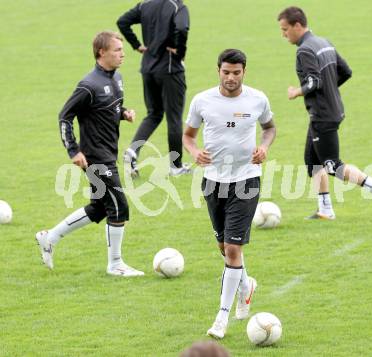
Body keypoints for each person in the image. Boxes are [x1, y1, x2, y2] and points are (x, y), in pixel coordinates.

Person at [183, 49, 276, 339]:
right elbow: (188, 135)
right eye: (226, 72)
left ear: (244, 71)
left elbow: (270, 128)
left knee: (234, 249)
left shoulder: (257, 99)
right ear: (218, 71)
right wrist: (195, 152)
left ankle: (221, 317)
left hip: (246, 179)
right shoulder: (202, 101)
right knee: (224, 248)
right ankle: (246, 287)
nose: (231, 77)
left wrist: (265, 148)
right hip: (213, 182)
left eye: (236, 72)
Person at [35, 31, 144, 277]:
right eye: (117, 50)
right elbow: (65, 117)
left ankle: (49, 237)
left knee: (100, 207)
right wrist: (73, 150)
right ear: (101, 53)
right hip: (96, 157)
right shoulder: (88, 85)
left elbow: (109, 106)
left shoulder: (117, 78)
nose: (122, 54)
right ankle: (115, 264)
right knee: (119, 207)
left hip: (108, 152)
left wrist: (123, 112)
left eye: (122, 49)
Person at [278, 6, 372, 220]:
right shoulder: (324, 42)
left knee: (333, 165)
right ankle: (325, 209)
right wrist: (329, 91)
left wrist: (297, 92)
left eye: (285, 29)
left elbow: (314, 81)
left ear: (297, 25)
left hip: (323, 115)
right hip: (330, 110)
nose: (283, 35)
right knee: (312, 161)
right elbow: (346, 72)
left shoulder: (304, 50)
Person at [117, 0, 191, 177]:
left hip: (148, 68)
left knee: (154, 114)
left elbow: (122, 21)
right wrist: (180, 53)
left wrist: (137, 45)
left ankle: (133, 152)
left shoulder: (145, 5)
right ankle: (176, 166)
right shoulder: (178, 7)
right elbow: (181, 28)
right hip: (170, 70)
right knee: (174, 118)